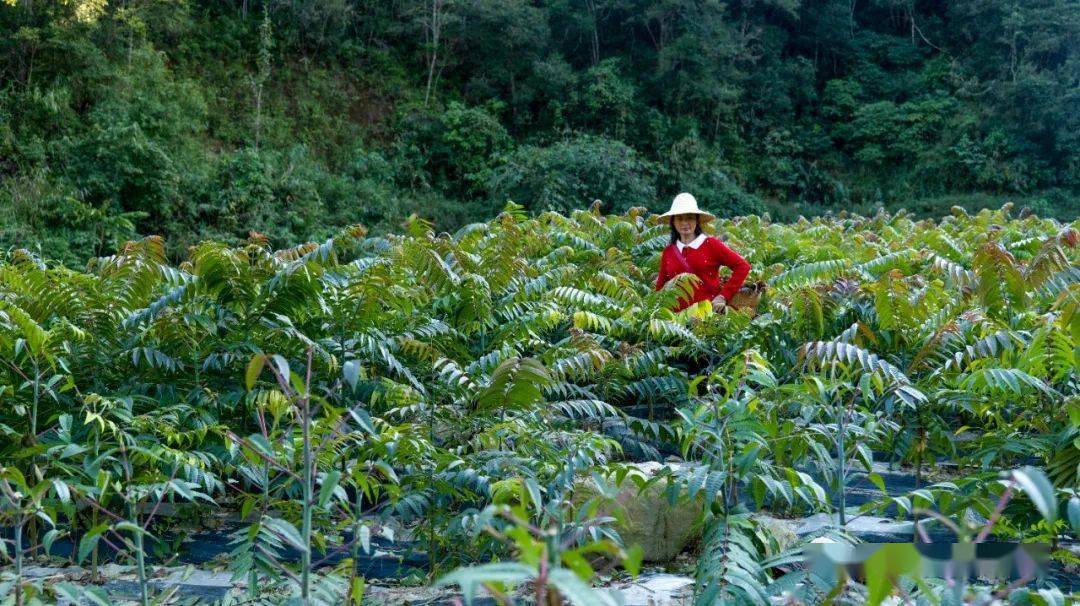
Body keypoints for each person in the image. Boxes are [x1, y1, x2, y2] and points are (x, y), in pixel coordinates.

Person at [653, 193, 750, 312]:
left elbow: (742, 266)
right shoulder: (669, 252)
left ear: (697, 220)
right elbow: (660, 287)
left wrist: (723, 296)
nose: (684, 223)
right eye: (679, 218)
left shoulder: (711, 244)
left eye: (689, 218)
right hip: (676, 324)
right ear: (673, 222)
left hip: (706, 322)